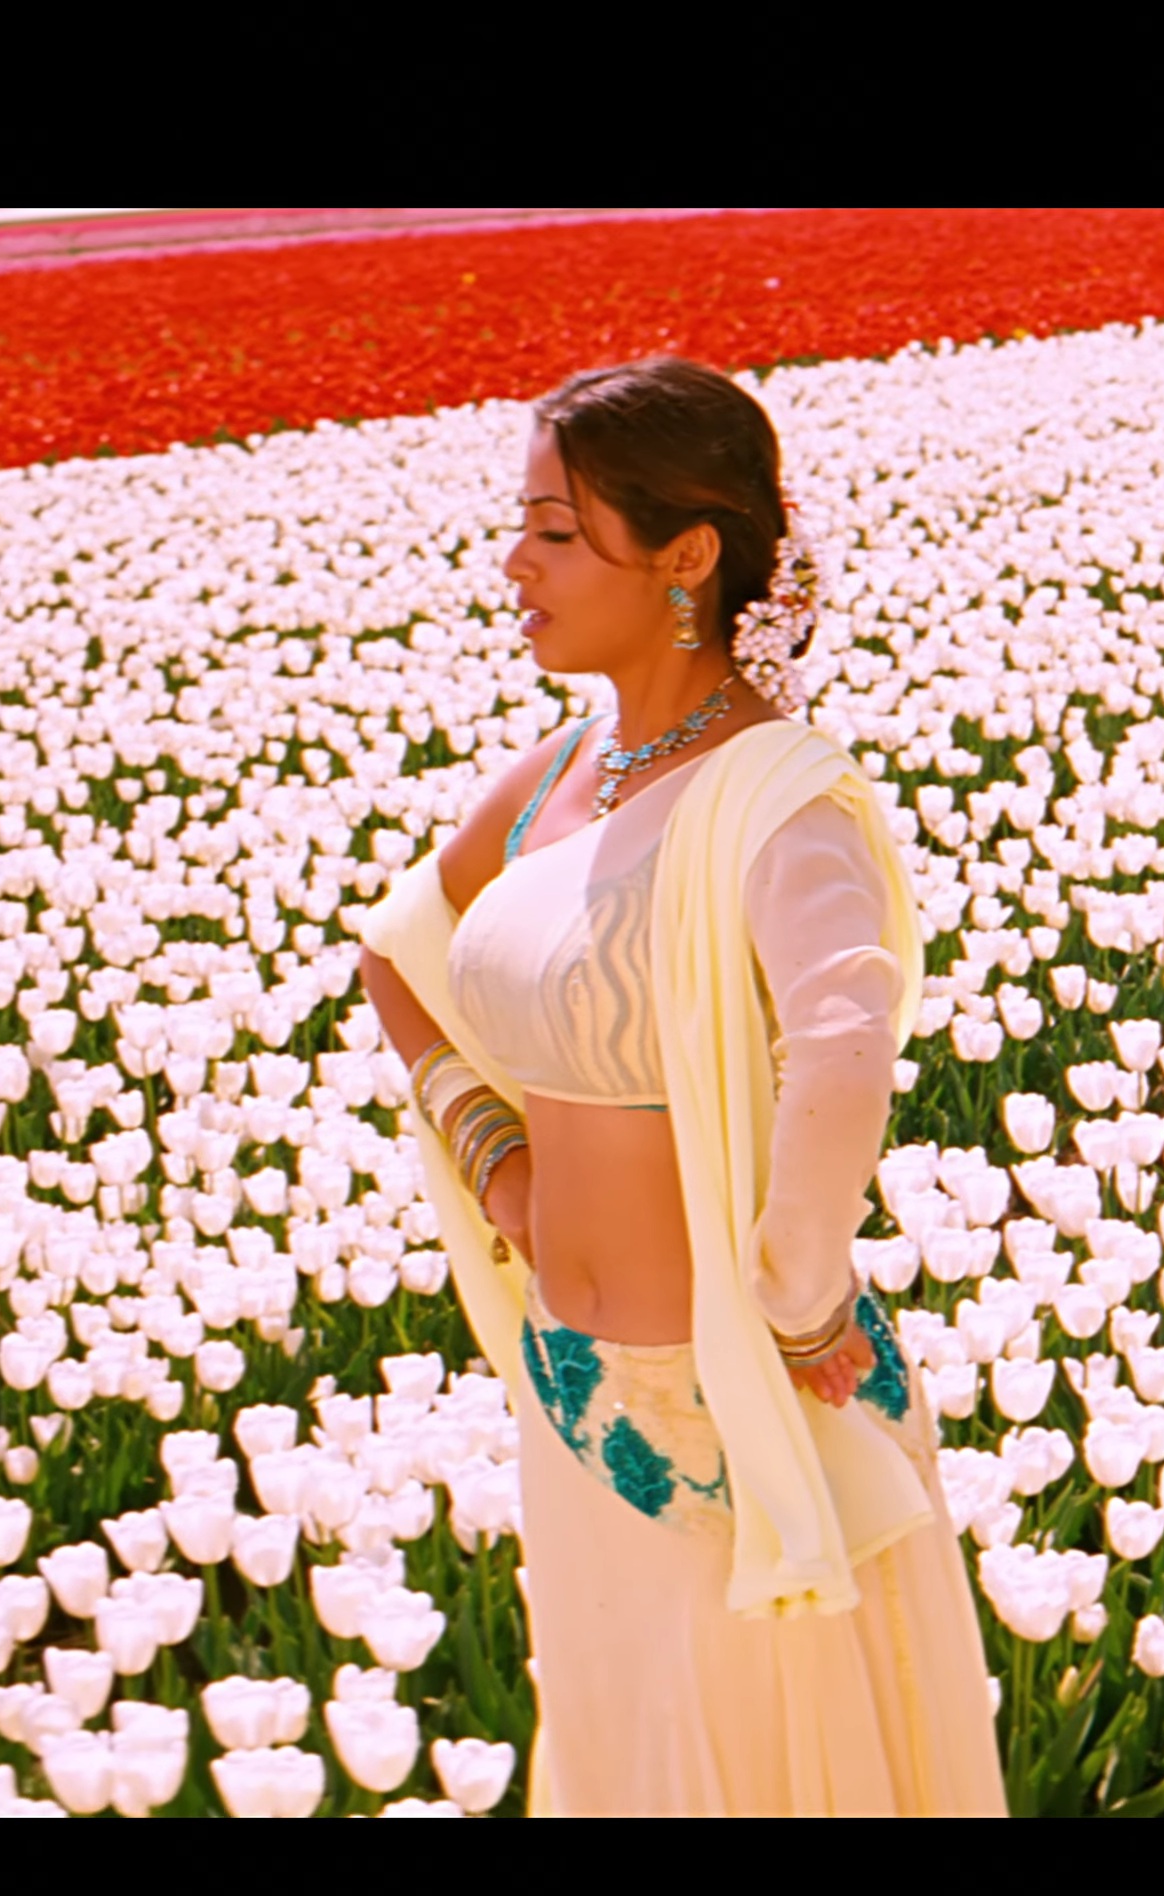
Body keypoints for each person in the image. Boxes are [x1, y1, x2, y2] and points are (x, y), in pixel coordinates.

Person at [352, 358, 1005, 1815]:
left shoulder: (779, 791)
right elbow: (400, 954)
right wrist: (498, 1166)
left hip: (740, 1397)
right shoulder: (561, 774)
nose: (514, 564)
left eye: (556, 531)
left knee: (754, 1761)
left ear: (687, 555)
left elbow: (844, 1039)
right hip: (573, 1387)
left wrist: (802, 1299)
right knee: (625, 1755)